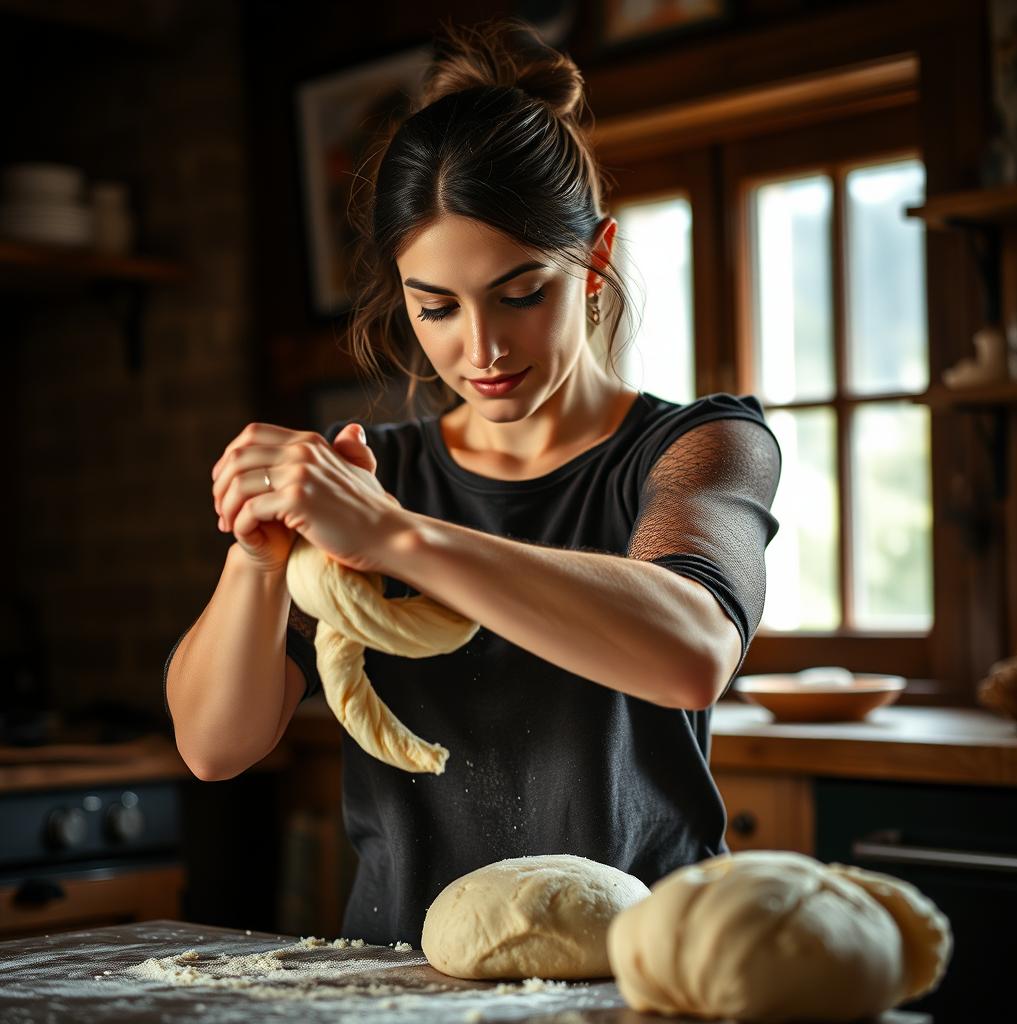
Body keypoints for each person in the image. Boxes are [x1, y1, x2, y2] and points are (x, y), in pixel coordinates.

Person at [163, 17, 782, 947]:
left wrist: (400, 539)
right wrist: (258, 557)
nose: (481, 350)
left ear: (596, 262)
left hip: (646, 974)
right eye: (436, 308)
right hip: (396, 978)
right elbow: (214, 749)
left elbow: (691, 651)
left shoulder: (698, 446)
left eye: (521, 293)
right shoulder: (379, 474)